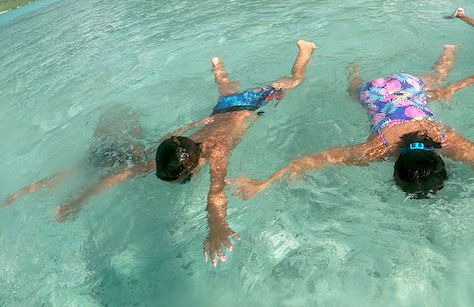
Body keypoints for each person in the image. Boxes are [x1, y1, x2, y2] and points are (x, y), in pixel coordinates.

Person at [230, 45, 474, 232]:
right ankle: (444, 53)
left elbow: (307, 161)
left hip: (387, 92)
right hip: (386, 91)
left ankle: (361, 70)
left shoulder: (432, 138)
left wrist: (264, 183)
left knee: (392, 84)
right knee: (418, 81)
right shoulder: (381, 148)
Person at [51, 39, 317, 266]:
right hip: (225, 109)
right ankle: (218, 68)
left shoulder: (218, 150)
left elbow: (216, 193)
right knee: (226, 92)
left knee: (294, 81)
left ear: (192, 168)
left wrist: (216, 227)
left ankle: (305, 50)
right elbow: (125, 173)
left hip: (250, 105)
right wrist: (79, 200)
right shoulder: (180, 146)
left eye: (185, 181)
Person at [1, 105, 148, 208]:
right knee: (112, 176)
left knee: (62, 176)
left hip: (98, 149)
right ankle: (71, 203)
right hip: (113, 150)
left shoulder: (108, 128)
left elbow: (98, 133)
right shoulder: (130, 137)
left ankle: (11, 199)